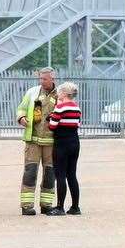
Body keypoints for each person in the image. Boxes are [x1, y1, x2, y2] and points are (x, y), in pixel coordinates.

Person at [15, 67, 58, 215]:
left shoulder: (60, 95)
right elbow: (21, 108)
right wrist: (21, 118)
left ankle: (46, 205)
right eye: (40, 78)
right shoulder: (33, 92)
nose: (41, 81)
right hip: (33, 141)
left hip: (51, 143)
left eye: (44, 79)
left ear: (52, 79)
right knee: (30, 172)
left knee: (50, 174)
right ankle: (26, 206)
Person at [47, 82, 82, 216]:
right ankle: (75, 207)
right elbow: (77, 124)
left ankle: (60, 207)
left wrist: (50, 119)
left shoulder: (60, 107)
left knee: (60, 175)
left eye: (59, 92)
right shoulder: (77, 108)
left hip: (61, 143)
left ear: (64, 93)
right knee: (71, 175)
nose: (57, 93)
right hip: (74, 142)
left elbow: (52, 126)